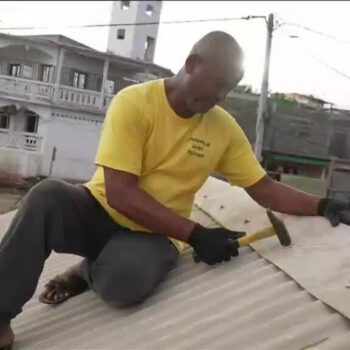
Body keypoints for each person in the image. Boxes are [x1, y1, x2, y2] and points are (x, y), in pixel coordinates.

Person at [0, 31, 349, 350]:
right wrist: (197, 234)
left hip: (155, 233)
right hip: (100, 209)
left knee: (124, 284)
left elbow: (264, 187)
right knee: (46, 196)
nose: (222, 96)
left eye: (230, 88)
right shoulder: (134, 103)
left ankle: (85, 272)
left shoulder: (222, 129)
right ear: (192, 64)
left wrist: (323, 204)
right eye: (219, 84)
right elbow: (120, 193)